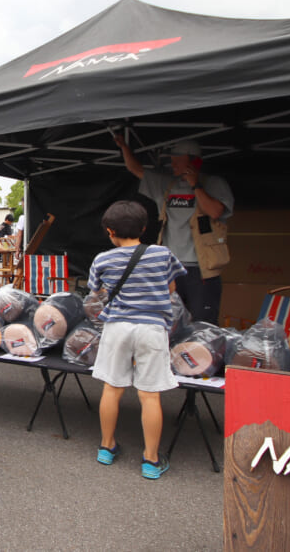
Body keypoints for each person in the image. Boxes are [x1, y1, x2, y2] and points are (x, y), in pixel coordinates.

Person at [88, 200, 186, 480]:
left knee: (112, 388)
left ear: (109, 231)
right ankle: (151, 460)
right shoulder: (163, 254)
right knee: (149, 394)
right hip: (152, 328)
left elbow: (97, 292)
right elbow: (172, 287)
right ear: (144, 228)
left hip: (117, 327)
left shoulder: (103, 259)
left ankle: (106, 448)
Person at [115, 136, 234, 323]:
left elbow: (215, 211)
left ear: (194, 160)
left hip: (202, 269)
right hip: (171, 268)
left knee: (202, 324)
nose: (173, 163)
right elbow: (136, 169)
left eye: (178, 159)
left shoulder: (213, 183)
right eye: (172, 158)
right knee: (171, 322)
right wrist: (124, 146)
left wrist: (195, 184)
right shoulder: (167, 184)